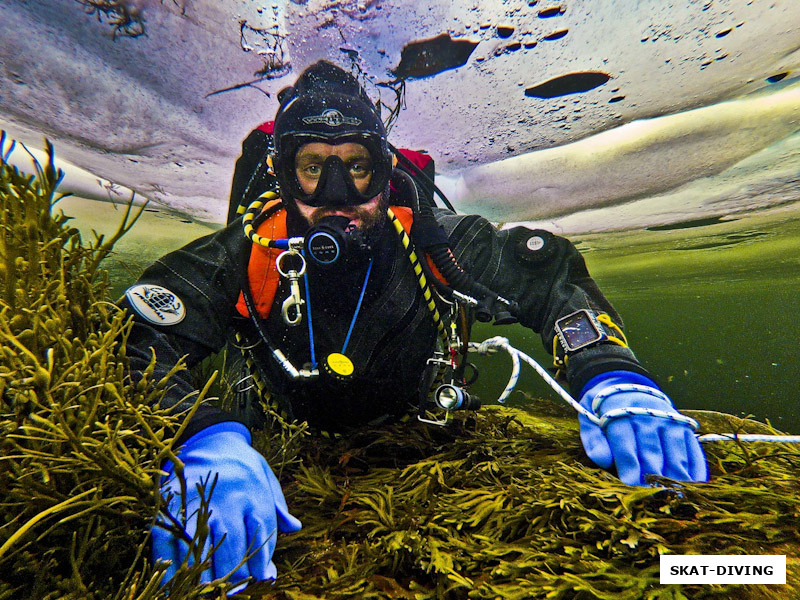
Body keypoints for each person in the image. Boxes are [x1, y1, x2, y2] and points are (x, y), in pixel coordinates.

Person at [120, 60, 708, 588]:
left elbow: (550, 278)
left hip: (417, 429)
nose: (336, 194)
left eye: (357, 167)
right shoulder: (246, 252)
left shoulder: (433, 244)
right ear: (281, 174)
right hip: (276, 431)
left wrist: (609, 374)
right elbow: (139, 332)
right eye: (312, 168)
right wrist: (201, 435)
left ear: (385, 170)